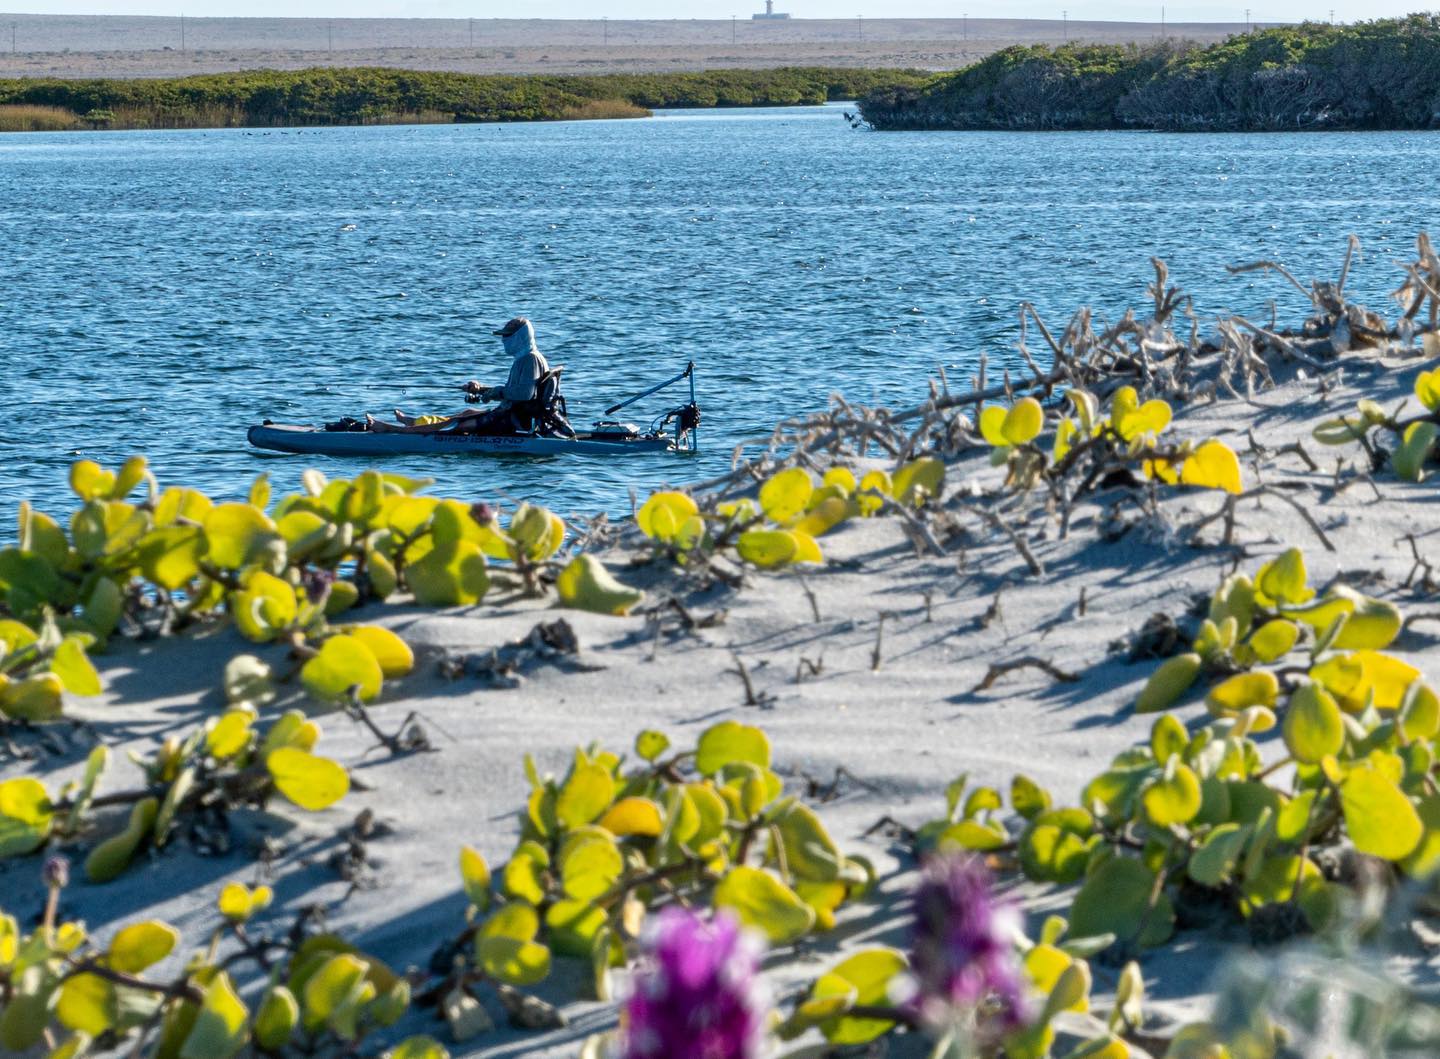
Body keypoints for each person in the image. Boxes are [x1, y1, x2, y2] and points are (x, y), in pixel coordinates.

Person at [370, 317, 552, 435]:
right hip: (512, 414)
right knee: (467, 413)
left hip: (516, 421)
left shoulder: (529, 359)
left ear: (520, 337)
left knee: (458, 425)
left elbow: (524, 395)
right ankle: (412, 423)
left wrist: (494, 392)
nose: (503, 340)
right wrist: (482, 390)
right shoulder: (526, 357)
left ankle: (389, 429)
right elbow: (514, 392)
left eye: (507, 336)